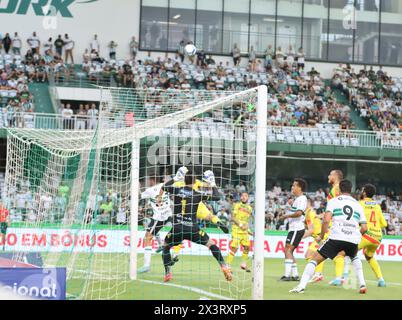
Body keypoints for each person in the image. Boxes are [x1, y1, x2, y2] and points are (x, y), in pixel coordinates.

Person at [290, 180, 368, 294]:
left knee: (314, 259)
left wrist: (321, 235)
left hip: (336, 237)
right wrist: (355, 235)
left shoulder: (334, 201)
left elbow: (326, 220)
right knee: (354, 257)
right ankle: (362, 284)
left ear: (339, 189)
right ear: (351, 190)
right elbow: (365, 228)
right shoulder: (357, 204)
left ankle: (301, 286)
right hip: (352, 239)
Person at [161, 167, 232, 283]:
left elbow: (163, 187)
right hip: (193, 229)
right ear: (194, 182)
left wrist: (175, 178)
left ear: (184, 180)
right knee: (211, 244)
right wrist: (212, 183)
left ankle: (168, 272)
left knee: (165, 246)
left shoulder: (177, 190)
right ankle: (224, 265)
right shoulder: (198, 194)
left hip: (177, 228)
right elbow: (217, 197)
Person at [342, 184, 387, 287]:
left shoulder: (359, 204)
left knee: (347, 253)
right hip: (377, 237)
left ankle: (344, 277)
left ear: (365, 192)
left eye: (362, 190)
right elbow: (384, 224)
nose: (361, 192)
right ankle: (381, 280)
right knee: (369, 256)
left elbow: (354, 220)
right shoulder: (377, 206)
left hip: (366, 235)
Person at [138, 182, 174, 273]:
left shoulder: (149, 190)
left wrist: (137, 187)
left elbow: (139, 196)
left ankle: (146, 266)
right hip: (169, 215)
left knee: (147, 238)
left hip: (159, 218)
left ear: (151, 180)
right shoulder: (165, 185)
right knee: (172, 236)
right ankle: (163, 246)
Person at [279, 178, 308, 281]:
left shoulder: (301, 199)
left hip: (296, 228)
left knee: (287, 249)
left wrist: (286, 216)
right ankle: (295, 275)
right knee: (290, 251)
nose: (292, 187)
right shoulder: (298, 199)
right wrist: (292, 205)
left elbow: (299, 213)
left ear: (299, 188)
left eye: (294, 185)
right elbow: (298, 211)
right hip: (295, 228)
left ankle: (287, 275)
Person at [326, 169, 347, 286]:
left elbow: (341, 205)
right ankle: (341, 276)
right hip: (337, 223)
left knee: (319, 251)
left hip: (336, 224)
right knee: (340, 252)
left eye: (330, 174)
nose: (328, 176)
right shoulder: (336, 188)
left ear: (335, 176)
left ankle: (340, 277)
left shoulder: (337, 188)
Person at [227, 192, 253, 272]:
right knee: (234, 248)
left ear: (248, 198)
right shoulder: (237, 205)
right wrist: (241, 225)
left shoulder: (249, 208)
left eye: (246, 196)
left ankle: (243, 264)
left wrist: (249, 231)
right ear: (240, 197)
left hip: (244, 231)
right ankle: (227, 266)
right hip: (237, 229)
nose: (244, 197)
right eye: (242, 195)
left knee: (247, 247)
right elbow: (233, 218)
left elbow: (247, 221)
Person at [302, 198, 326, 283]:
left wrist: (301, 237)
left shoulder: (309, 213)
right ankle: (317, 273)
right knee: (315, 255)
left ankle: (318, 274)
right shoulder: (310, 212)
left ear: (307, 203)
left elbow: (311, 230)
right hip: (320, 236)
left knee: (309, 255)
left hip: (320, 237)